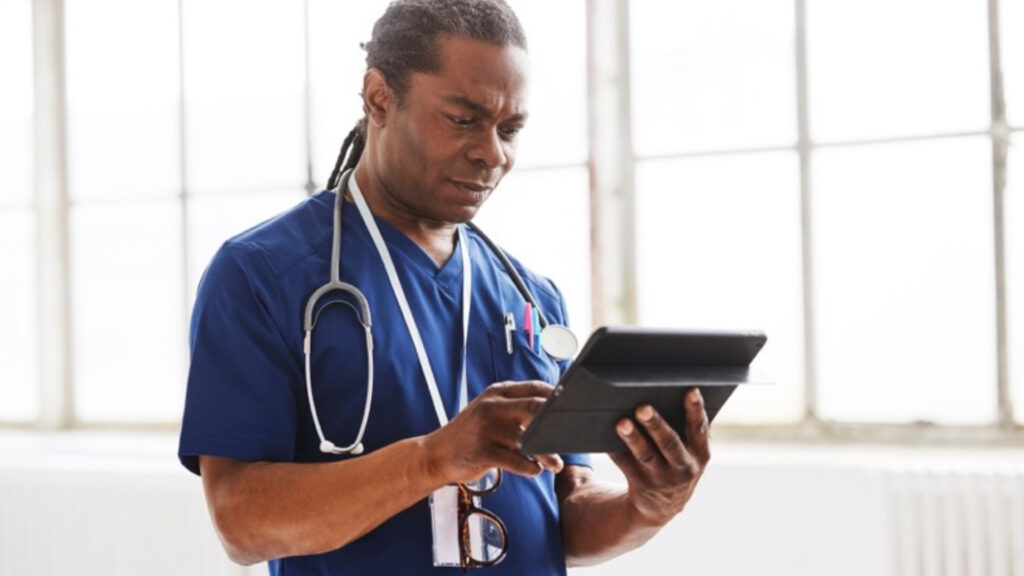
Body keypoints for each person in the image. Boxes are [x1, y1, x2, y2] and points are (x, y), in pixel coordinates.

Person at [178, 0, 711, 573]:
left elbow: (567, 513)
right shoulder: (263, 275)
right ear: (379, 97)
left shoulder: (531, 296)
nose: (492, 153)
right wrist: (434, 458)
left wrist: (648, 506)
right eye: (462, 120)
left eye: (510, 129)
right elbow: (242, 523)